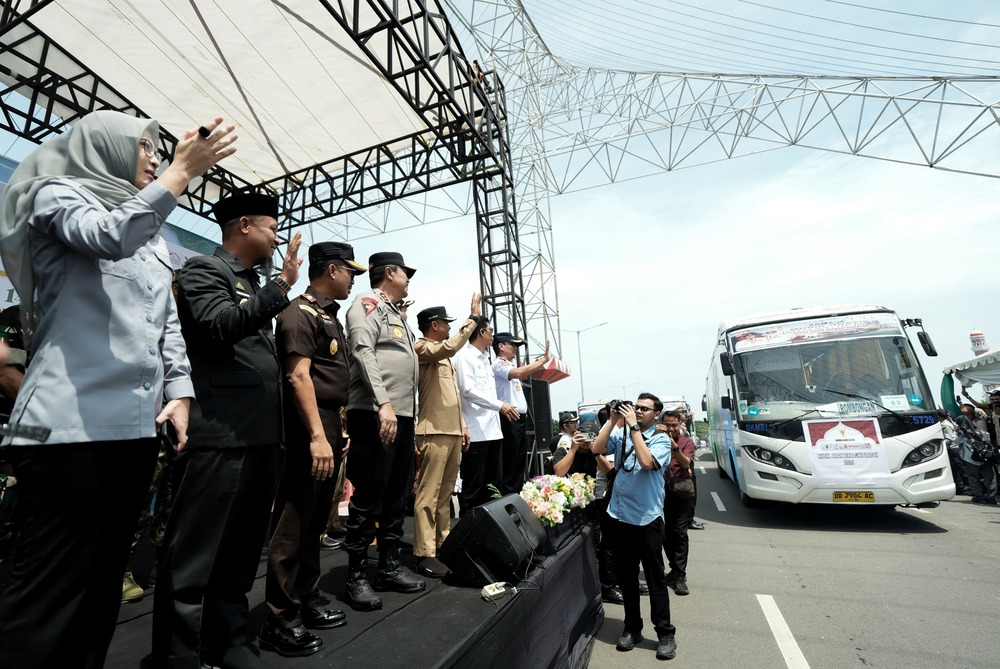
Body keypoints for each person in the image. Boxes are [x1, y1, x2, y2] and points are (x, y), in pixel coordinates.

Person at [0, 110, 236, 668]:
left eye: (160, 150)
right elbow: (106, 237)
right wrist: (179, 174)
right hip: (67, 431)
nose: (154, 157)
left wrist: (179, 392)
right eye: (145, 147)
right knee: (49, 591)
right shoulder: (56, 194)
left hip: (133, 431)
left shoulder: (154, 229)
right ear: (106, 146)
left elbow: (166, 322)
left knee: (104, 588)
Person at [152, 190, 303, 669]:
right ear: (243, 226)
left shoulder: (252, 282)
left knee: (240, 553)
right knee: (195, 554)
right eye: (271, 228)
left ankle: (230, 640)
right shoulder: (204, 270)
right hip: (218, 433)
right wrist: (279, 288)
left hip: (259, 436)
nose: (277, 238)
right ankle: (178, 653)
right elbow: (218, 326)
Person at [259, 242, 366, 657]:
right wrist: (318, 436)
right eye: (349, 271)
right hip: (310, 425)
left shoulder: (325, 314)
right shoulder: (298, 312)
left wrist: (337, 429)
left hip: (329, 422)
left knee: (315, 523)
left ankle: (307, 601)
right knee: (293, 523)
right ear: (333, 270)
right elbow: (298, 377)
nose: (353, 279)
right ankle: (280, 619)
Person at [342, 252, 425, 611]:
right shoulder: (367, 304)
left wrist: (406, 413)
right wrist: (383, 404)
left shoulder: (397, 314)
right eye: (405, 272)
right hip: (376, 412)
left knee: (396, 493)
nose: (408, 278)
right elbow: (363, 352)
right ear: (388, 273)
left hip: (401, 415)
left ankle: (389, 567)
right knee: (369, 492)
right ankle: (356, 574)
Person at [591, 393, 677, 661]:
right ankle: (632, 627)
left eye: (644, 409)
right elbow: (597, 448)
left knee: (654, 580)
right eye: (635, 407)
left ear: (655, 414)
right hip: (620, 517)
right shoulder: (624, 433)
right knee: (627, 578)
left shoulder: (661, 439)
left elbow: (647, 462)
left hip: (648, 520)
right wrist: (613, 419)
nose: (637, 411)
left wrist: (634, 428)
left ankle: (665, 634)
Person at [412, 297, 481, 578]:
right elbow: (451, 346)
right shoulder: (423, 347)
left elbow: (453, 399)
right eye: (446, 324)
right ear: (435, 325)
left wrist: (463, 426)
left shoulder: (444, 356)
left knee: (445, 494)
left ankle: (443, 544)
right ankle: (424, 552)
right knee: (428, 495)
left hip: (451, 431)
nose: (449, 328)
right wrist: (472, 319)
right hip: (433, 430)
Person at [455, 316, 519, 514]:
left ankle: (491, 534)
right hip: (475, 432)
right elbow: (468, 390)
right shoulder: (464, 357)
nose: (493, 334)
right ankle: (470, 535)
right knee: (474, 489)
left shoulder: (486, 358)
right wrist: (500, 405)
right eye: (490, 330)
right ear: (481, 332)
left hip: (493, 432)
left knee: (494, 488)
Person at [492, 334, 550, 493]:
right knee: (511, 460)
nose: (515, 349)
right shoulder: (498, 364)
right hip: (509, 417)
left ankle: (517, 493)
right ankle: (508, 494)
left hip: (520, 419)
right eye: (512, 345)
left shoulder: (509, 365)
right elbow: (518, 373)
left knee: (520, 460)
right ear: (501, 347)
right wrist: (542, 361)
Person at [659, 410, 695, 596]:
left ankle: (680, 575)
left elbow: (685, 463)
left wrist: (674, 446)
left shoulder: (686, 442)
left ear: (680, 424)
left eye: (675, 425)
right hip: (658, 495)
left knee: (679, 534)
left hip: (680, 495)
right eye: (668, 425)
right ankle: (674, 569)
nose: (671, 428)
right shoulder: (655, 440)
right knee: (664, 535)